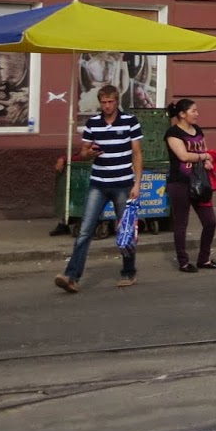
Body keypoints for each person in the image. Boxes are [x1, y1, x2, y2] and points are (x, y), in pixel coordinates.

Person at [55, 84, 142, 292]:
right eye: (103, 103)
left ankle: (128, 272)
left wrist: (137, 183)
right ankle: (71, 276)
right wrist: (90, 153)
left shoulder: (130, 121)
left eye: (110, 102)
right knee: (85, 230)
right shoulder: (93, 123)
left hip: (123, 183)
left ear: (117, 101)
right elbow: (83, 152)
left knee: (125, 230)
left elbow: (137, 153)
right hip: (99, 183)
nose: (107, 106)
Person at [165, 98, 216, 273]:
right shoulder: (172, 133)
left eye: (197, 110)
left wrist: (208, 161)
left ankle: (204, 259)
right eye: (193, 111)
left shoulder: (197, 129)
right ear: (182, 114)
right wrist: (204, 156)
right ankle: (183, 261)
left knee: (210, 222)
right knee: (181, 224)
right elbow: (183, 156)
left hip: (200, 182)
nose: (197, 114)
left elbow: (204, 148)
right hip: (179, 183)